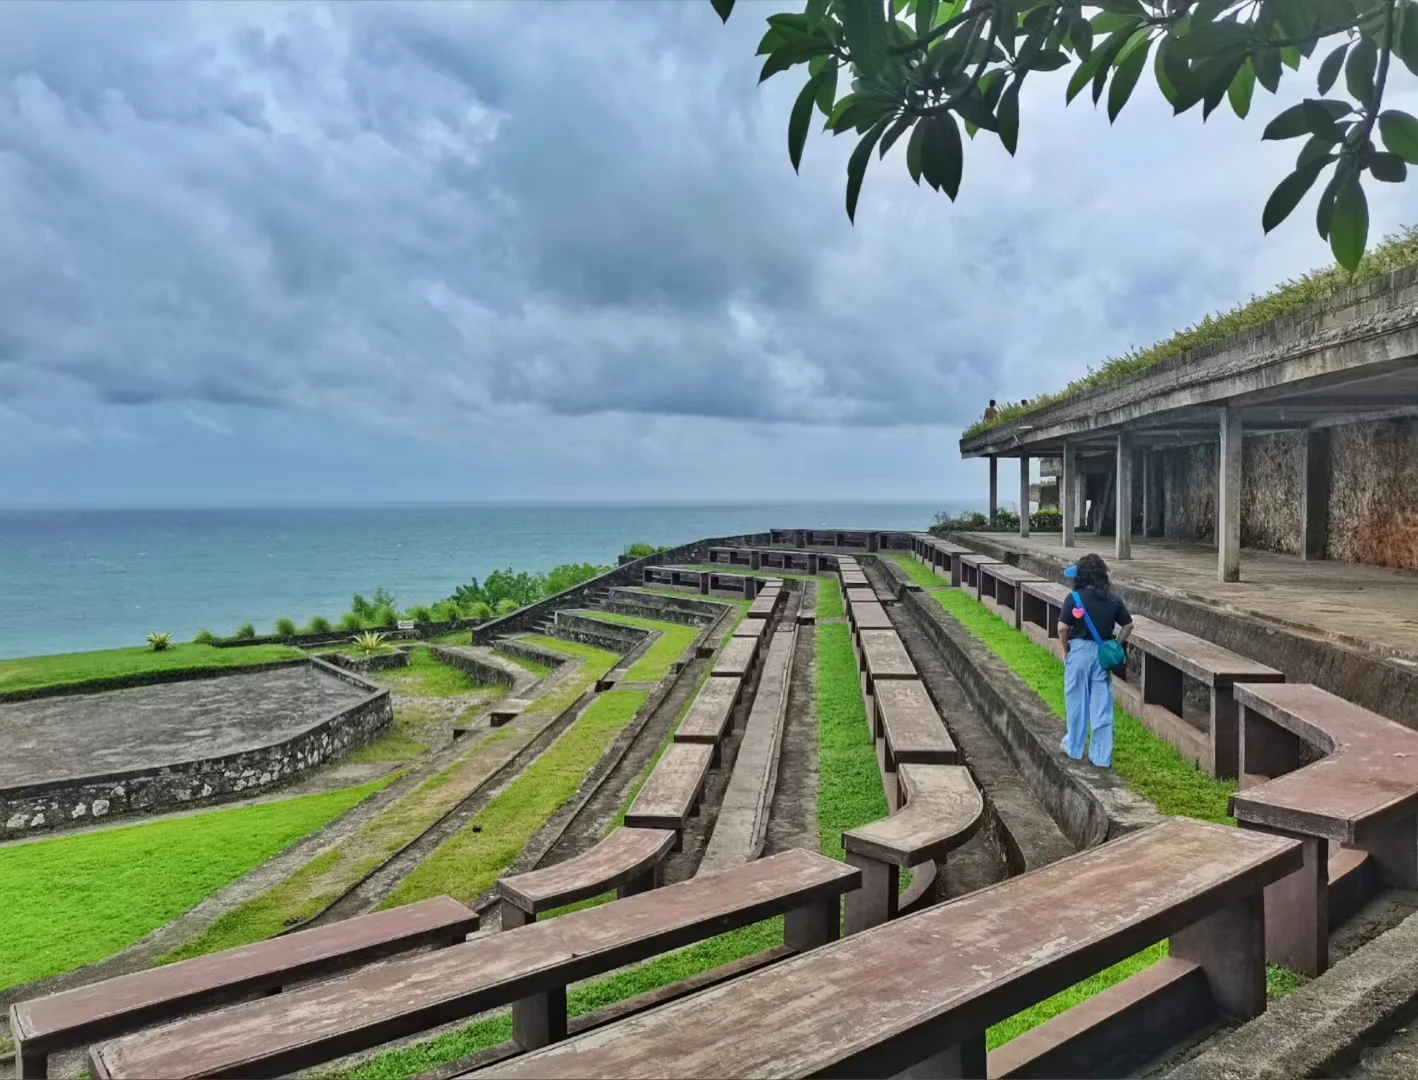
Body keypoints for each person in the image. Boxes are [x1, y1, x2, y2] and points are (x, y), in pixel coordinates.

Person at [1056, 553, 1132, 767]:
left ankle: (1074, 747)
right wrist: (1117, 644)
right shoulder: (1112, 599)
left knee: (1076, 701)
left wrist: (1066, 649)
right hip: (1101, 653)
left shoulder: (1074, 598)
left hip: (1078, 650)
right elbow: (1128, 625)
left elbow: (1063, 628)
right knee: (1101, 705)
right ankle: (1100, 756)